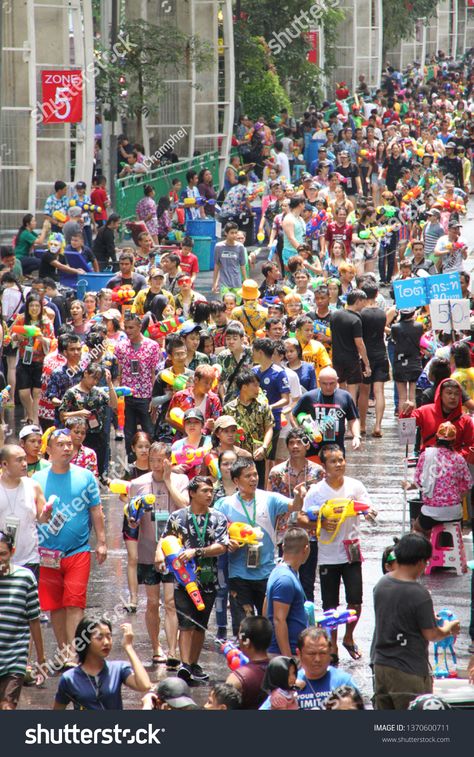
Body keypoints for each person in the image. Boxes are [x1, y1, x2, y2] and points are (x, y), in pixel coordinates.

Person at [33, 429, 107, 666]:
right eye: (61, 444)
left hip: (78, 550)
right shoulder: (37, 480)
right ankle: (64, 652)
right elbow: (34, 514)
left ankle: (74, 655)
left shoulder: (86, 477)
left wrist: (102, 542)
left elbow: (96, 510)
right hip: (47, 553)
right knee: (55, 606)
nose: (67, 448)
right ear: (49, 450)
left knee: (74, 603)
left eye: (69, 444)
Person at [302, 444, 376, 663]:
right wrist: (321, 522)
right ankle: (332, 644)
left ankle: (349, 638)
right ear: (323, 466)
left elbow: (368, 509)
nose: (339, 465)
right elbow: (302, 518)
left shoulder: (356, 486)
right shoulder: (316, 491)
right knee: (330, 605)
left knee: (356, 601)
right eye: (333, 461)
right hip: (327, 555)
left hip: (351, 551)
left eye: (341, 460)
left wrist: (370, 513)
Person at [371, 533, 461, 710]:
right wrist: (449, 628)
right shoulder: (418, 593)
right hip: (408, 671)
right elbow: (432, 634)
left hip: (381, 666)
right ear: (421, 561)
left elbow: (395, 615)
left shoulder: (381, 583)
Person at [214, 457, 305, 629]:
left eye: (255, 474)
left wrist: (299, 496)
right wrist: (228, 543)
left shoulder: (270, 499)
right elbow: (217, 534)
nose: (254, 479)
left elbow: (294, 506)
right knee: (244, 627)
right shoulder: (224, 505)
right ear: (236, 480)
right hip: (238, 574)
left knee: (268, 626)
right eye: (248, 476)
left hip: (266, 572)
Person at [157, 476, 228, 685]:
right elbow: (165, 539)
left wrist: (196, 552)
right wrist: (160, 555)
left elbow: (222, 546)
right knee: (186, 622)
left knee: (201, 625)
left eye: (211, 491)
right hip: (182, 579)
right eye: (205, 491)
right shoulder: (177, 517)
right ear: (192, 493)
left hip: (209, 578)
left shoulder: (218, 518)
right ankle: (185, 665)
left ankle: (194, 663)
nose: (209, 495)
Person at [128, 442, 188, 667]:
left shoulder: (181, 480)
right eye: (152, 460)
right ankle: (156, 648)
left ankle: (173, 650)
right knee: (152, 602)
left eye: (160, 460)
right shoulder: (138, 483)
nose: (155, 465)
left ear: (168, 460)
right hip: (147, 550)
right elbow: (131, 519)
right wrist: (133, 518)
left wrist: (169, 480)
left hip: (174, 551)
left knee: (171, 602)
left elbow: (185, 506)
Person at [268, 429, 323, 600]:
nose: (295, 446)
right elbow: (270, 502)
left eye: (299, 442)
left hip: (310, 531)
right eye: (291, 443)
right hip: (285, 532)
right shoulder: (277, 472)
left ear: (307, 445)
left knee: (308, 581)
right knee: (285, 576)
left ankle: (307, 619)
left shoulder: (318, 471)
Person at [53, 618, 151, 710]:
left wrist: (128, 646)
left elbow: (144, 685)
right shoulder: (69, 678)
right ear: (85, 641)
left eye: (109, 636)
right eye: (99, 638)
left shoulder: (118, 669)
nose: (106, 642)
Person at [0, 531, 45, 710]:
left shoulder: (25, 578)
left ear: (12, 552)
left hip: (14, 658)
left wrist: (41, 658)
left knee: (7, 707)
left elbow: (34, 619)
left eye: (2, 554)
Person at [261, 626, 357, 710]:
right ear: (299, 654)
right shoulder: (287, 682)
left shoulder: (344, 682)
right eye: (311, 654)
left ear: (330, 652)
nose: (317, 659)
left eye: (322, 653)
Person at [404, 422, 472, 537]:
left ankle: (422, 552)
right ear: (453, 441)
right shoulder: (459, 459)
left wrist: (407, 485)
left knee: (417, 528)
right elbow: (468, 485)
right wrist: (455, 498)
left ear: (436, 437)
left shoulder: (426, 455)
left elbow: (418, 482)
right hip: (454, 513)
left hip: (431, 512)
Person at [58, 363, 117, 479]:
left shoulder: (98, 392)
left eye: (97, 379)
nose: (94, 382)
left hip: (97, 435)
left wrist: (110, 384)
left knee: (98, 466)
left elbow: (113, 404)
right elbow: (62, 415)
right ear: (86, 373)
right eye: (93, 378)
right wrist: (78, 413)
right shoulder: (72, 393)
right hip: (78, 435)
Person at [115, 313, 160, 458]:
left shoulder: (152, 346)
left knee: (149, 430)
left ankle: (152, 459)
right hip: (127, 395)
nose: (128, 331)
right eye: (126, 328)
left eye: (131, 328)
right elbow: (119, 372)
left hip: (146, 395)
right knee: (129, 431)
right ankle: (131, 460)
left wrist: (154, 398)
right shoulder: (121, 347)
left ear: (140, 327)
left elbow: (154, 373)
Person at [292, 367, 362, 457]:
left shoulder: (345, 396)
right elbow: (293, 416)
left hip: (336, 449)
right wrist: (300, 435)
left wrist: (356, 436)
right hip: (313, 449)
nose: (328, 387)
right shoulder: (308, 397)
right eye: (324, 384)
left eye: (332, 383)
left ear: (337, 381)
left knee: (335, 470)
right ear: (319, 381)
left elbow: (353, 419)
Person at [400, 377, 474, 461]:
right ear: (440, 395)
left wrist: (457, 457)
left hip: (454, 466)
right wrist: (406, 412)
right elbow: (405, 430)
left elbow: (471, 446)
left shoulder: (466, 420)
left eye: (457, 394)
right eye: (449, 393)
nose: (453, 397)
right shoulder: (424, 411)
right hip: (428, 461)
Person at [222, 369, 274, 487]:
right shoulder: (229, 409)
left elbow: (269, 428)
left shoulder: (263, 407)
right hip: (236, 456)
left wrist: (264, 447)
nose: (258, 389)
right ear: (244, 387)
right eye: (255, 385)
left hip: (258, 455)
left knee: (258, 487)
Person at [264, 528, 309, 656]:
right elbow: (279, 620)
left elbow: (266, 608)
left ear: (283, 546)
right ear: (305, 549)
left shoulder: (280, 571)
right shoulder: (285, 579)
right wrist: (288, 660)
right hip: (284, 653)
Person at [359, 282, 390, 437]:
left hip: (366, 355)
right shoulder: (382, 313)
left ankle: (363, 425)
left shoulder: (361, 314)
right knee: (379, 392)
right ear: (377, 293)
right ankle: (378, 425)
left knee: (364, 391)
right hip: (381, 353)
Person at [330, 289, 371, 401]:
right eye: (364, 301)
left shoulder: (334, 315)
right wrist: (366, 363)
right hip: (351, 359)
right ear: (358, 301)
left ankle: (342, 413)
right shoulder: (356, 319)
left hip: (336, 357)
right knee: (352, 389)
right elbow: (359, 343)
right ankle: (350, 414)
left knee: (341, 388)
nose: (365, 304)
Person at [225, 615, 272, 709]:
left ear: (246, 642)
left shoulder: (237, 679)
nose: (238, 640)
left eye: (240, 636)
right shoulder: (281, 669)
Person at [212, 222, 247, 298]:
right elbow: (217, 265)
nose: (234, 235)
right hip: (224, 283)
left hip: (237, 283)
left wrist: (245, 281)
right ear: (226, 233)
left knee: (236, 306)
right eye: (232, 233)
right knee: (226, 305)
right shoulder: (219, 247)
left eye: (235, 233)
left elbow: (242, 265)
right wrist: (214, 283)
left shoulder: (240, 247)